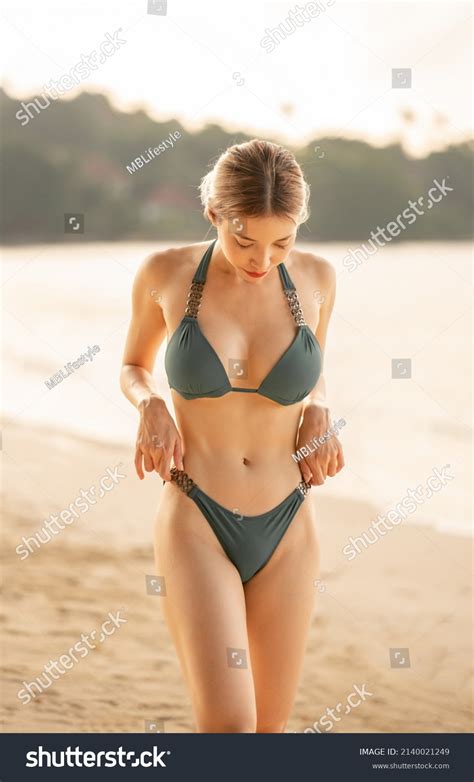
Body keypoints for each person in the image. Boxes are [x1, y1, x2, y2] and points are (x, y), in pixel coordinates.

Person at [120, 138, 344, 733]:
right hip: (198, 514)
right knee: (228, 728)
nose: (262, 259)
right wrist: (149, 406)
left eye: (283, 241)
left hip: (290, 520)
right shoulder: (165, 272)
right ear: (213, 214)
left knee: (267, 737)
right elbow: (134, 365)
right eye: (244, 240)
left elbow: (316, 370)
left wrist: (321, 408)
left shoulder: (318, 278)